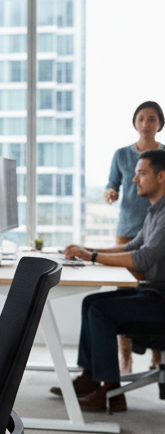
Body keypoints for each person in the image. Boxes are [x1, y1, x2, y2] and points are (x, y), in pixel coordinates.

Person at [62, 149, 165, 413]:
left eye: (141, 173)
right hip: (151, 293)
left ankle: (111, 392)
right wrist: (87, 251)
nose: (134, 180)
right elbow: (132, 245)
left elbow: (143, 258)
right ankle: (89, 378)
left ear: (161, 176)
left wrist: (93, 256)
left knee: (99, 310)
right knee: (90, 303)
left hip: (160, 301)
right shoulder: (155, 211)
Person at [105, 101, 165, 372]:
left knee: (154, 291)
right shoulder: (121, 154)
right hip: (129, 232)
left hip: (159, 232)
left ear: (159, 124)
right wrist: (111, 193)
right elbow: (112, 183)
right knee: (125, 293)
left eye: (151, 119)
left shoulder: (163, 157)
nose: (145, 124)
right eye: (141, 118)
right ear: (135, 123)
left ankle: (157, 357)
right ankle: (125, 355)